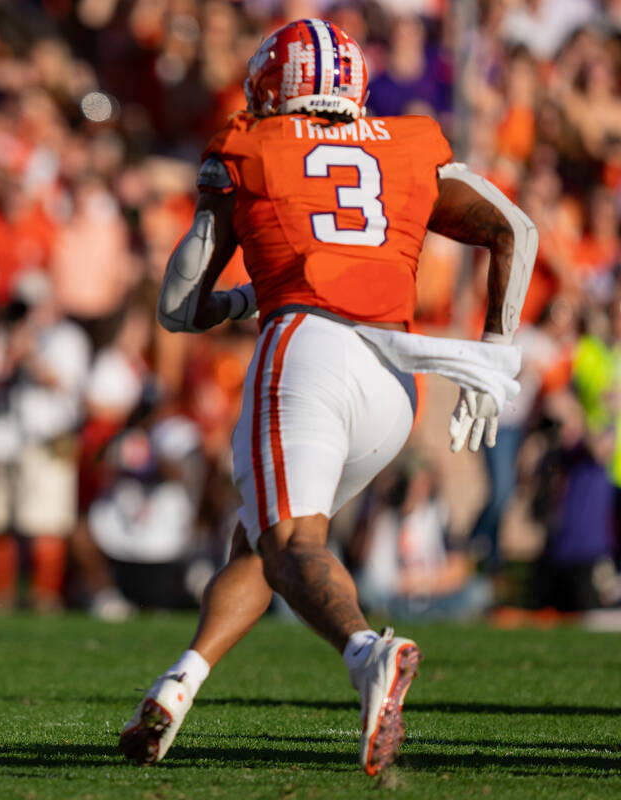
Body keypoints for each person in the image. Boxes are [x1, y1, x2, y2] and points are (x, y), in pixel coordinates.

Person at [119, 19, 535, 776]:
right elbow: (515, 228)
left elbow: (180, 305)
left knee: (291, 546)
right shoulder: (409, 142)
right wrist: (498, 353)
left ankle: (364, 653)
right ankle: (181, 683)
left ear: (272, 87)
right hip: (394, 379)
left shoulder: (252, 145)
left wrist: (236, 300)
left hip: (306, 350)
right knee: (263, 541)